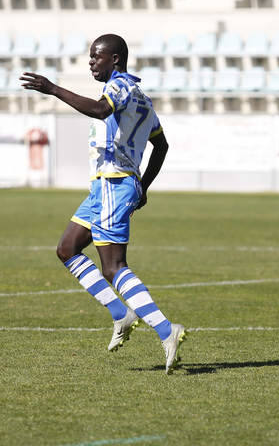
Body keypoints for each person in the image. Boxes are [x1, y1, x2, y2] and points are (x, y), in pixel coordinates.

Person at [20, 34, 187, 375]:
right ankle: (120, 314)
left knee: (113, 267)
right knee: (67, 249)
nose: (91, 63)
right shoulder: (141, 96)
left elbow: (100, 110)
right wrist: (144, 187)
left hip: (115, 183)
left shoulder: (121, 86)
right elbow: (162, 145)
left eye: (96, 57)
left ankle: (167, 330)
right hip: (104, 186)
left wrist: (53, 89)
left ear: (115, 59)